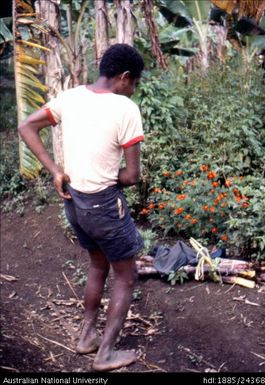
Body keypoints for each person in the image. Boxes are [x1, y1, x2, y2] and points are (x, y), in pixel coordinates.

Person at [18, 44, 145, 371]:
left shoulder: (71, 97)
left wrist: (56, 171)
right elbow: (132, 176)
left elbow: (26, 127)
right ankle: (104, 353)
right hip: (104, 206)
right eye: (135, 83)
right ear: (125, 77)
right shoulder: (124, 108)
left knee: (97, 266)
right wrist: (110, 175)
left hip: (74, 202)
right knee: (126, 276)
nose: (133, 90)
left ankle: (85, 337)